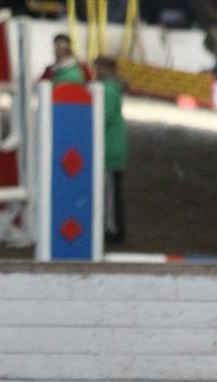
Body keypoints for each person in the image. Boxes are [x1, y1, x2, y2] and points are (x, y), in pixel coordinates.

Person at [93, 56, 128, 244]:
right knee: (113, 192)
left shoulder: (106, 91)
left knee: (110, 194)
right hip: (114, 147)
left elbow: (101, 118)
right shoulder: (114, 89)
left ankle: (113, 230)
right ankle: (113, 228)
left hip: (108, 149)